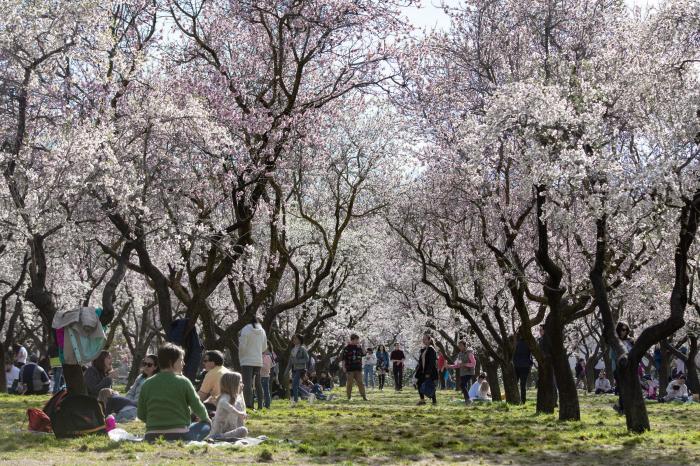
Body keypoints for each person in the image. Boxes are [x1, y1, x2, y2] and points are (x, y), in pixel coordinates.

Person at [138, 343, 211, 442]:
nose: (183, 364)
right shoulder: (183, 382)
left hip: (151, 436)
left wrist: (157, 423)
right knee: (206, 425)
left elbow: (141, 414)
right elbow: (197, 406)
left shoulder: (147, 384)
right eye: (181, 360)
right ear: (171, 362)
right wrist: (206, 419)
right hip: (180, 436)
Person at [208, 372, 249, 440]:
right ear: (233, 385)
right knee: (243, 430)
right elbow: (222, 403)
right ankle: (217, 438)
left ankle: (225, 437)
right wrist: (238, 413)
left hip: (228, 431)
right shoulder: (225, 396)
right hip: (217, 433)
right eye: (240, 382)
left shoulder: (236, 398)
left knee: (243, 430)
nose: (243, 385)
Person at [238, 316, 267, 410]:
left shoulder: (245, 329)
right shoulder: (262, 330)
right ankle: (260, 405)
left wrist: (241, 356)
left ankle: (249, 405)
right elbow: (264, 347)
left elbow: (242, 346)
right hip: (258, 360)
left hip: (247, 360)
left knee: (247, 383)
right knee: (258, 383)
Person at [610, 322, 634, 414]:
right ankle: (622, 408)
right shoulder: (615, 341)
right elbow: (612, 355)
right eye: (622, 330)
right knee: (622, 388)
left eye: (626, 330)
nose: (624, 332)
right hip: (618, 368)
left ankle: (621, 407)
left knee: (628, 388)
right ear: (618, 330)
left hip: (630, 367)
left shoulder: (630, 341)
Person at [342, 334, 367, 401]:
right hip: (349, 368)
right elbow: (343, 359)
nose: (358, 341)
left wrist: (363, 346)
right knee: (350, 383)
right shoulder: (347, 348)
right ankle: (349, 396)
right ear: (353, 340)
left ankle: (364, 396)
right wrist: (343, 367)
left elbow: (364, 353)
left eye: (358, 340)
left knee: (360, 382)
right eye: (356, 340)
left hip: (358, 368)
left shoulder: (359, 347)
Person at [415, 333, 438, 405]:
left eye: (425, 339)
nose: (423, 341)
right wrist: (417, 368)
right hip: (422, 371)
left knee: (430, 385)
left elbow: (432, 362)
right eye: (423, 339)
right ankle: (422, 400)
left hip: (429, 371)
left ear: (429, 340)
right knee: (419, 383)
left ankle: (434, 401)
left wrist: (428, 372)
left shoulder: (431, 349)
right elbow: (421, 361)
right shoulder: (423, 349)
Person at [287, 334, 310, 405]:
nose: (294, 340)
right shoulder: (293, 349)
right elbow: (290, 361)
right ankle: (307, 395)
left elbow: (307, 359)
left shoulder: (302, 348)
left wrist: (298, 361)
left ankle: (296, 400)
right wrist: (286, 371)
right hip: (294, 369)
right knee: (295, 385)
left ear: (300, 340)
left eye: (296, 339)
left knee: (294, 385)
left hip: (301, 369)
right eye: (293, 339)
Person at [512, 332, 533, 404]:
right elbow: (531, 353)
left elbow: (513, 354)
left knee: (515, 383)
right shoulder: (529, 343)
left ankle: (515, 399)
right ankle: (523, 400)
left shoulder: (516, 343)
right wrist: (530, 363)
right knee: (523, 384)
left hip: (517, 365)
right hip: (525, 365)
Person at [260, 344, 274, 409]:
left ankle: (267, 404)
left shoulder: (267, 357)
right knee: (262, 391)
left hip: (265, 376)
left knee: (265, 390)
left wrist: (259, 365)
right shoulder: (262, 356)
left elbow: (267, 367)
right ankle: (263, 403)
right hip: (261, 375)